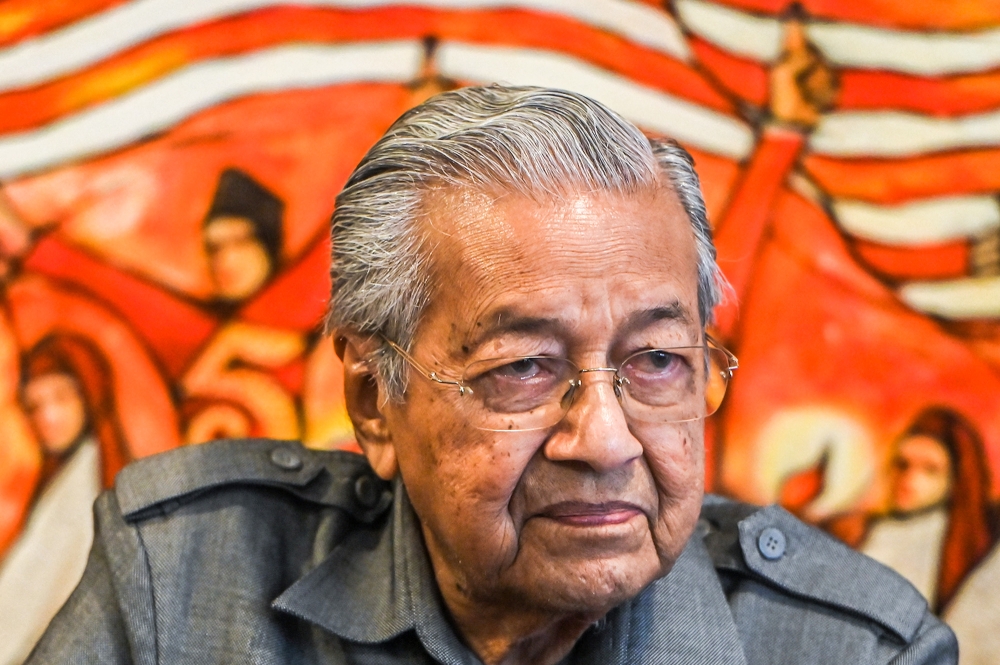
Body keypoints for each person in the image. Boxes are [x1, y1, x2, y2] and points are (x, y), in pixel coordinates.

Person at [27, 85, 956, 664]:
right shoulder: (181, 578)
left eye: (658, 361)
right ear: (373, 402)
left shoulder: (855, 648)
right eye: (523, 368)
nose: (605, 440)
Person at [1, 335, 130, 665]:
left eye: (61, 397)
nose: (49, 418)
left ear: (88, 394)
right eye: (34, 406)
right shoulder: (50, 477)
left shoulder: (90, 479)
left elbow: (33, 597)